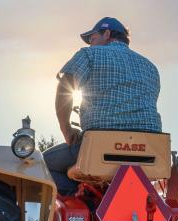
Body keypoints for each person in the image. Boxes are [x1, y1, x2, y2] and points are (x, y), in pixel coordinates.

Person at [44, 17, 163, 195]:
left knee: (41, 164)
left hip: (100, 147)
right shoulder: (150, 67)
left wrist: (66, 129)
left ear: (107, 34)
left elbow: (65, 84)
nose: (91, 45)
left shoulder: (89, 55)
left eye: (92, 39)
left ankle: (82, 200)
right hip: (150, 152)